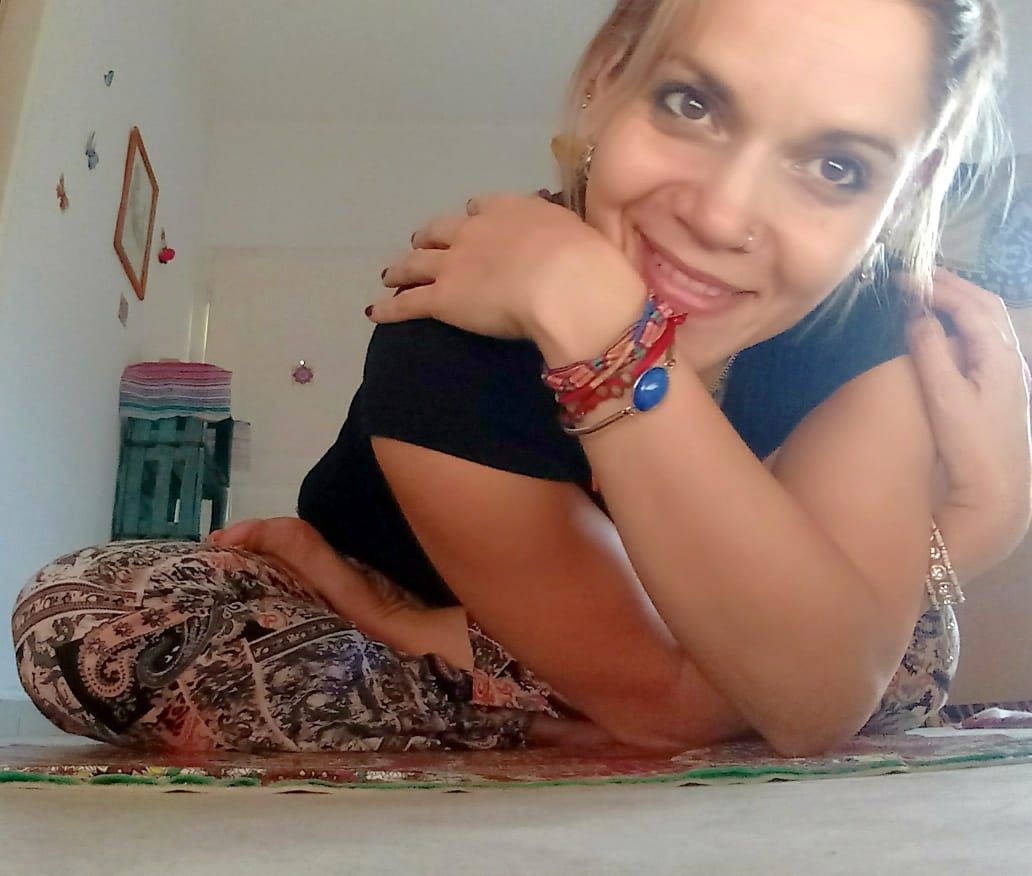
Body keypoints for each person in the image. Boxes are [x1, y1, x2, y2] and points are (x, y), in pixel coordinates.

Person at [12, 0, 1030, 755]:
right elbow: (759, 696)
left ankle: (467, 677)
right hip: (370, 600)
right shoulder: (445, 341)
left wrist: (610, 335)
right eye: (691, 104)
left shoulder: (873, 326)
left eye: (838, 168)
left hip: (618, 632)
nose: (723, 216)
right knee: (86, 618)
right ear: (606, 77)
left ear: (904, 195)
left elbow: (807, 692)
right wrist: (954, 539)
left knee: (859, 674)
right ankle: (451, 663)